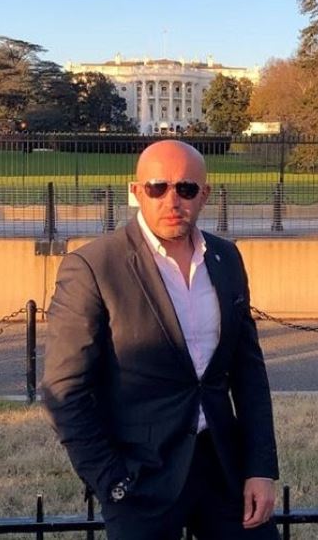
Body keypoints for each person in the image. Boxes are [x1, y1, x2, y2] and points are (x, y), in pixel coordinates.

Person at [42, 139, 279, 540]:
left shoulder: (226, 259)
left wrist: (260, 468)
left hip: (223, 468)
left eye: (186, 188)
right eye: (157, 188)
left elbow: (248, 373)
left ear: (204, 194)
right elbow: (65, 389)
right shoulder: (94, 266)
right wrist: (111, 481)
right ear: (136, 192)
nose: (172, 200)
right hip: (140, 474)